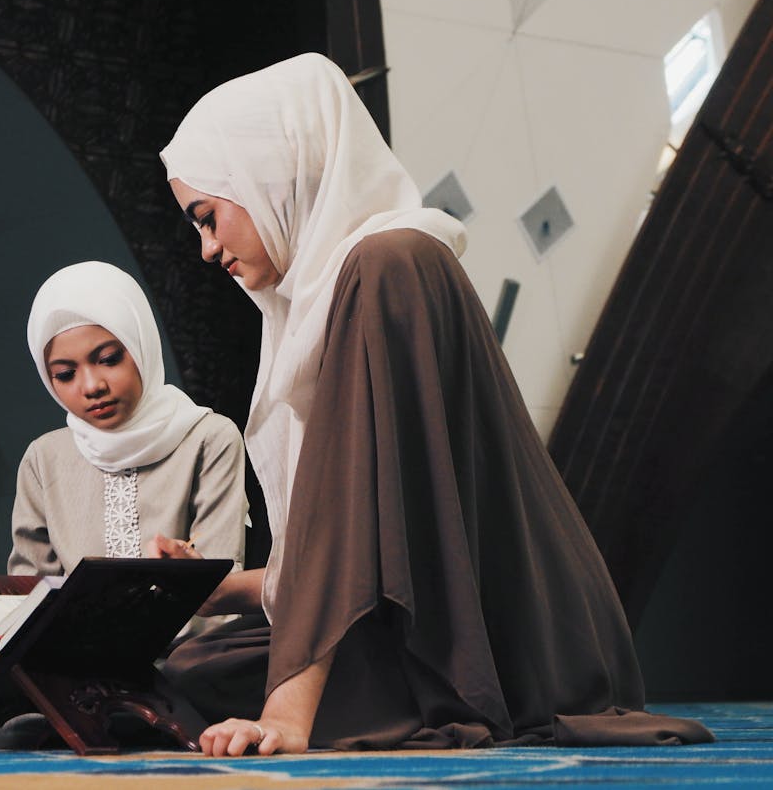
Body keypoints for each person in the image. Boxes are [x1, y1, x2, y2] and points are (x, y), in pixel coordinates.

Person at [152, 53, 714, 755]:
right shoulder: (338, 285)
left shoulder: (390, 266)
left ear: (272, 175)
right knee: (187, 668)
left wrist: (286, 715)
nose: (207, 250)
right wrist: (222, 589)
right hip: (431, 615)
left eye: (208, 217)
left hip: (500, 634)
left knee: (196, 684)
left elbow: (351, 520)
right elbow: (376, 542)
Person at [0, 260, 249, 749]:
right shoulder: (45, 457)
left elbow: (221, 589)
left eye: (109, 358)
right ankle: (84, 717)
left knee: (218, 676)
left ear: (141, 347)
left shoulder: (209, 437)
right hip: (60, 660)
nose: (90, 387)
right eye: (65, 373)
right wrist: (1, 624)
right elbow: (31, 582)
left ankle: (38, 721)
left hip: (178, 653)